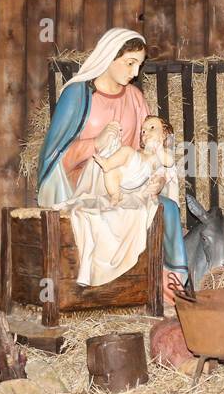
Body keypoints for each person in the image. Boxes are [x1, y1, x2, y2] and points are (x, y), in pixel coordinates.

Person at [36, 28, 187, 295]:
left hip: (131, 180)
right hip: (85, 184)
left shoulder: (135, 98)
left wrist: (159, 178)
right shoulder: (78, 95)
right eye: (130, 63)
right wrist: (97, 144)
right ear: (109, 56)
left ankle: (173, 285)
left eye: (139, 65)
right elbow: (55, 156)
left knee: (170, 209)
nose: (135, 72)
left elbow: (152, 148)